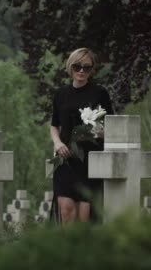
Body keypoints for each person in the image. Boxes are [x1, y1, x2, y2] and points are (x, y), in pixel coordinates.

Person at [50, 47, 114, 224]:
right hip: (66, 158)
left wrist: (101, 132)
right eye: (78, 66)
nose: (81, 71)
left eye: (87, 67)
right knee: (66, 209)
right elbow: (54, 126)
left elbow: (113, 127)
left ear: (92, 69)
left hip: (90, 161)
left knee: (85, 214)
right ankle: (66, 251)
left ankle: (85, 250)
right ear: (71, 67)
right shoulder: (61, 94)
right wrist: (57, 143)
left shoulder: (100, 93)